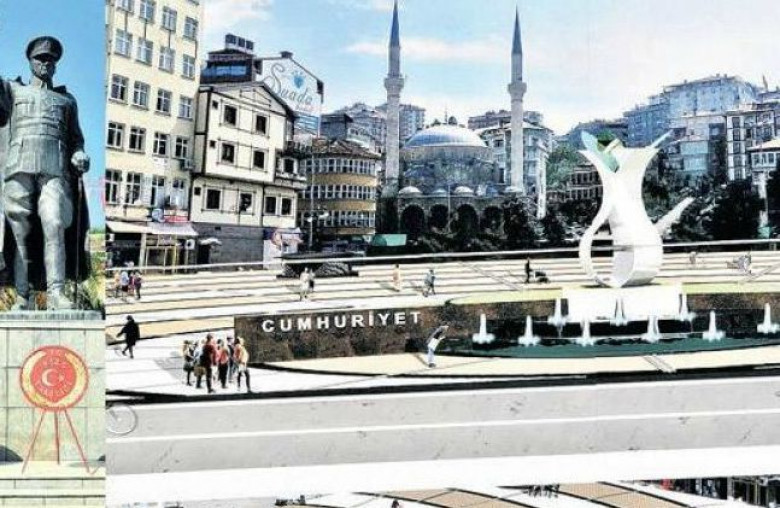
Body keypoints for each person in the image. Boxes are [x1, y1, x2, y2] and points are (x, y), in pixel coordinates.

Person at [0, 36, 91, 310]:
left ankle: (56, 293)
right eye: (40, 59)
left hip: (56, 169)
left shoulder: (67, 100)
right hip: (18, 166)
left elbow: (76, 139)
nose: (45, 63)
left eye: (50, 60)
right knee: (19, 233)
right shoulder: (12, 90)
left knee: (54, 223)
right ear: (30, 61)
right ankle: (23, 296)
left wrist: (79, 154)